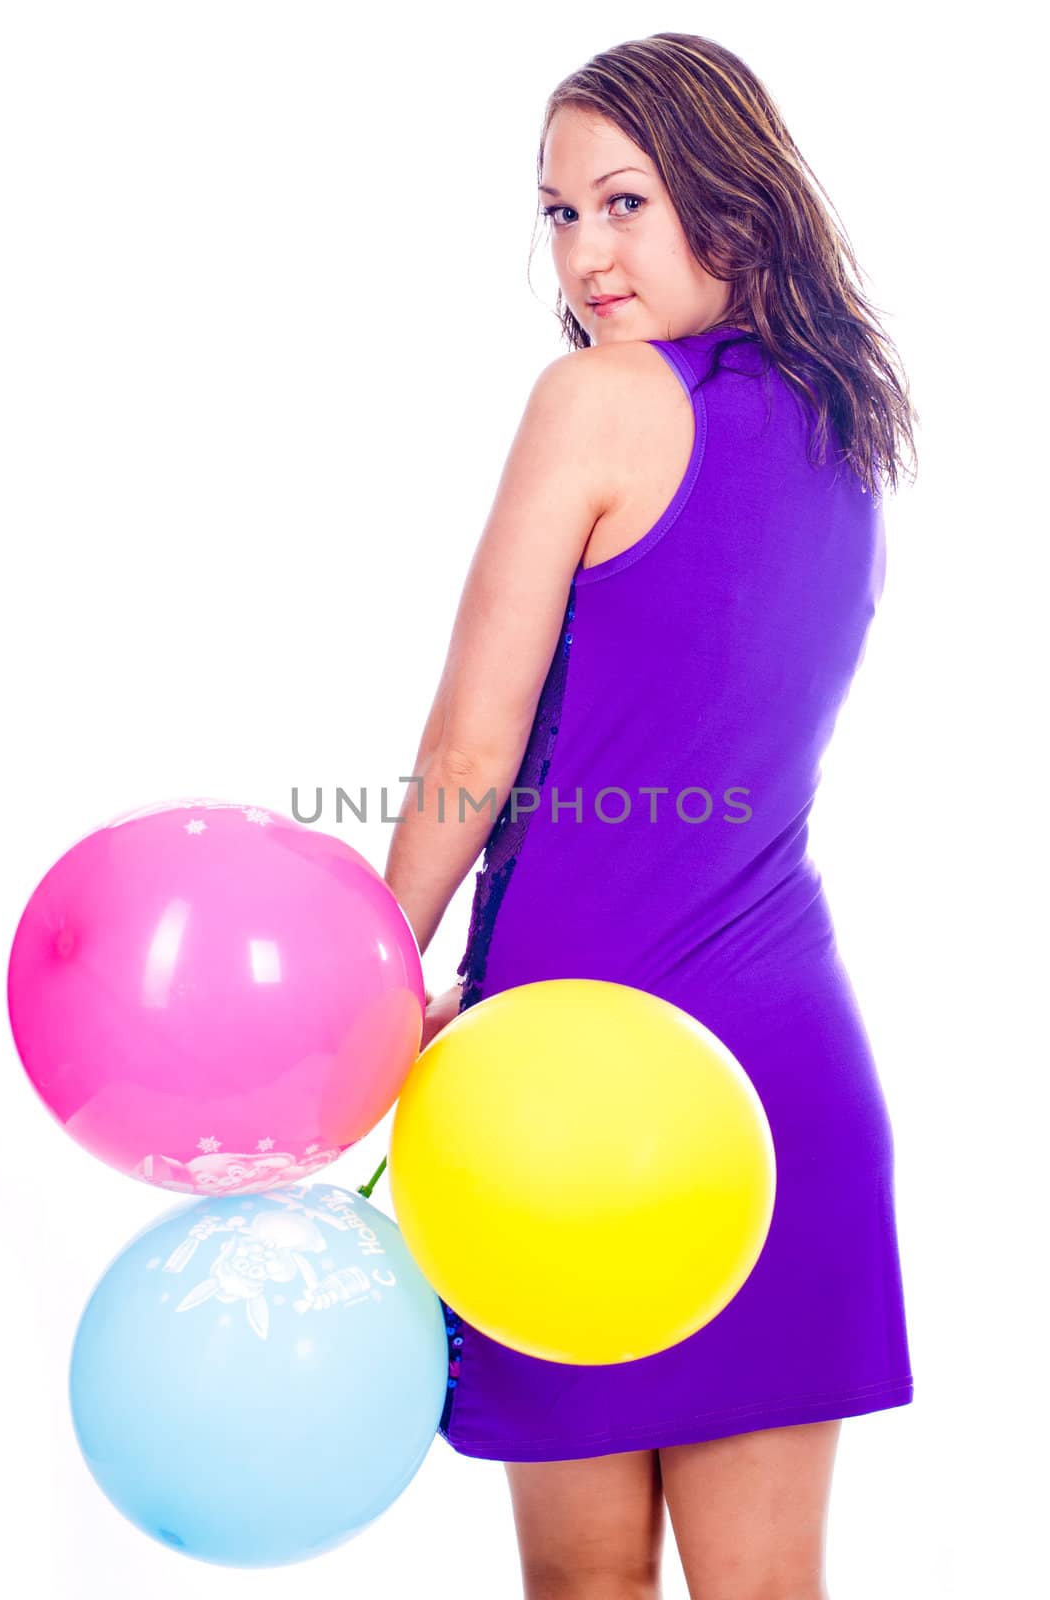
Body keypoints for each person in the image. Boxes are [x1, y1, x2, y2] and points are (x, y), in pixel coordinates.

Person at [383, 30, 918, 1600]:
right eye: (556, 214)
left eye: (623, 201)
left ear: (729, 200)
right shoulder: (848, 435)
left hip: (558, 1095)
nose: (586, 252)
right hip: (778, 1088)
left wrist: (362, 988)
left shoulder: (598, 402)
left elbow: (472, 747)